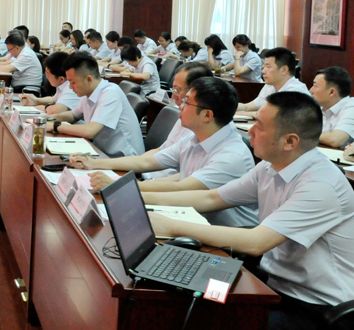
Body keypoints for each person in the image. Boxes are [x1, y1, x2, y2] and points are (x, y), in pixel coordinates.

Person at [146, 92, 354, 330]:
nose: (250, 130)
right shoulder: (270, 167)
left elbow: (256, 243)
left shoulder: (320, 185)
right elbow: (211, 198)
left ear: (290, 141)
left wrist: (171, 226)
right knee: (194, 296)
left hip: (327, 316)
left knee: (212, 327)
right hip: (279, 289)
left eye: (260, 125)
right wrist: (140, 199)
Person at [72, 75, 258, 227]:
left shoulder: (231, 156)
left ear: (207, 115)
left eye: (187, 102)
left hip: (225, 240)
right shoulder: (194, 138)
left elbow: (182, 189)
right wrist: (94, 163)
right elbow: (148, 161)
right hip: (192, 218)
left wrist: (118, 188)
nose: (180, 106)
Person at [43, 54, 145, 158]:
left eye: (73, 82)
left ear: (89, 79)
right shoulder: (89, 93)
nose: (70, 87)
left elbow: (90, 131)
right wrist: (46, 119)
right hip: (102, 152)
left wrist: (55, 126)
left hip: (124, 158)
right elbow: (73, 115)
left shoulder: (110, 93)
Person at [312, 66, 354, 148]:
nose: (311, 90)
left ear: (331, 92)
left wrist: (304, 134)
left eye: (315, 86)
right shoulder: (321, 108)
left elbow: (335, 140)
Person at [238, 47, 309, 113]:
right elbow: (247, 107)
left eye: (268, 67)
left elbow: (271, 116)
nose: (263, 71)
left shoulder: (296, 91)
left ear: (284, 70)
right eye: (264, 67)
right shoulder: (270, 85)